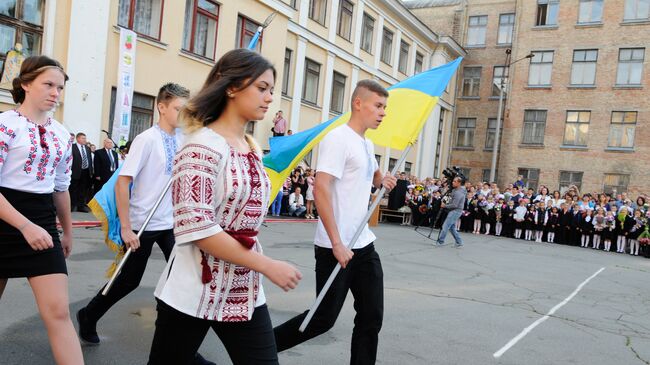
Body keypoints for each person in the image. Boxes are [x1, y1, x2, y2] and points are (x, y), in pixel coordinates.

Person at [147, 49, 302, 365]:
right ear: (231, 87)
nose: (270, 97)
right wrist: (267, 265)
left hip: (241, 289)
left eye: (271, 89)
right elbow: (198, 228)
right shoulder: (200, 145)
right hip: (193, 286)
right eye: (261, 88)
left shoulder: (252, 147)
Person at [76, 83, 215, 364]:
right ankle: (88, 314)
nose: (183, 113)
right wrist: (126, 227)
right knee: (128, 281)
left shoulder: (183, 139)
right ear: (161, 107)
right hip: (142, 223)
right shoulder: (147, 140)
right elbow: (123, 182)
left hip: (171, 225)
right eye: (178, 108)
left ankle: (182, 349)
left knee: (182, 282)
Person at [273, 79, 396, 365]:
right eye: (378, 106)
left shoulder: (366, 143)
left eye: (385, 107)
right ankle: (257, 352)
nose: (383, 113)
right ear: (358, 103)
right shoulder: (337, 138)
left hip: (363, 244)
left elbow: (374, 176)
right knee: (321, 320)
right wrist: (337, 242)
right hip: (335, 247)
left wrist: (383, 179)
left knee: (371, 317)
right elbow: (322, 188)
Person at [0, 55, 84, 364]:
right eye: (48, 84)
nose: (55, 93)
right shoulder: (4, 125)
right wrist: (24, 226)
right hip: (5, 216)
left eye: (60, 88)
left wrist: (67, 231)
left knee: (59, 312)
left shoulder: (63, 134)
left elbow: (61, 187)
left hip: (41, 218)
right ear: (25, 84)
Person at [435, 176, 467, 247]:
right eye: (453, 181)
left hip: (455, 211)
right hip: (453, 211)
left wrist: (444, 206)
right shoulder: (455, 190)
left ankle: (440, 242)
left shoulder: (459, 192)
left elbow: (455, 205)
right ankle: (459, 242)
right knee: (452, 228)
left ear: (459, 183)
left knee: (445, 226)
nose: (453, 182)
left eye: (454, 181)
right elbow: (450, 199)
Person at [70, 132, 92, 212]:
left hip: (85, 171)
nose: (85, 140)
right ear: (78, 138)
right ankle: (72, 205)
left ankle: (81, 206)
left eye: (85, 138)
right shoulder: (72, 147)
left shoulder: (87, 148)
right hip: (75, 171)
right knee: (73, 189)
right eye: (83, 138)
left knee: (83, 190)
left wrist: (91, 171)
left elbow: (89, 160)